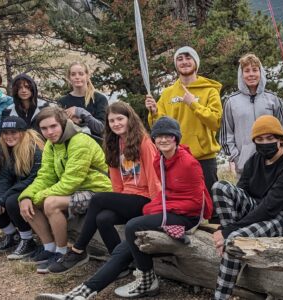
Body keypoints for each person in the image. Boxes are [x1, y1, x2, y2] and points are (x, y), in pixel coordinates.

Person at [36, 116, 213, 300]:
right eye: (159, 136)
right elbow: (165, 193)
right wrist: (156, 207)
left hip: (188, 216)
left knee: (134, 225)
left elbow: (196, 203)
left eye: (168, 136)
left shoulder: (189, 163)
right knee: (123, 249)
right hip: (169, 210)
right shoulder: (160, 160)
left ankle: (146, 279)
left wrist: (155, 208)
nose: (163, 140)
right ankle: (81, 293)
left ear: (176, 138)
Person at [47, 102, 162, 274]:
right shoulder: (113, 145)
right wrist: (116, 203)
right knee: (103, 218)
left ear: (130, 119)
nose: (116, 123)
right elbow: (116, 183)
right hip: (127, 198)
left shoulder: (144, 142)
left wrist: (157, 208)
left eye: (120, 119)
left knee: (98, 198)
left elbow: (154, 178)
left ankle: (78, 250)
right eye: (111, 120)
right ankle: (121, 264)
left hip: (146, 199)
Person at [211, 115, 283, 300]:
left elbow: (270, 208)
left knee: (235, 239)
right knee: (220, 187)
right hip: (257, 209)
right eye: (260, 139)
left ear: (280, 138)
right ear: (254, 141)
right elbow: (241, 191)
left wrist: (230, 230)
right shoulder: (255, 160)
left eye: (270, 138)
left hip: (282, 218)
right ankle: (231, 250)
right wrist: (227, 227)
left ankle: (221, 295)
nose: (265, 143)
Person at [18, 106, 112, 274]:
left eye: (53, 126)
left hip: (98, 191)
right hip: (76, 190)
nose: (49, 132)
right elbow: (45, 176)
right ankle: (49, 248)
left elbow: (70, 182)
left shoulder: (80, 141)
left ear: (62, 124)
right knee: (26, 201)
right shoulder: (51, 145)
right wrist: (27, 196)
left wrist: (39, 196)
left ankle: (63, 253)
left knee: (50, 203)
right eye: (44, 128)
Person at [145, 46, 222, 195]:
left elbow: (215, 122)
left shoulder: (209, 90)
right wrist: (154, 113)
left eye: (188, 58)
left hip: (203, 158)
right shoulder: (168, 93)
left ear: (196, 63)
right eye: (180, 59)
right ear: (176, 65)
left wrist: (193, 104)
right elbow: (159, 127)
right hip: (176, 157)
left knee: (211, 207)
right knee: (182, 202)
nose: (184, 62)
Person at [219, 53, 283, 176]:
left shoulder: (273, 99)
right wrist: (236, 158)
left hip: (273, 165)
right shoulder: (231, 102)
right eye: (246, 71)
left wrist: (279, 154)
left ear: (260, 72)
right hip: (244, 167)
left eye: (255, 70)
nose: (251, 74)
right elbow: (226, 136)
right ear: (241, 75)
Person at [0, 116, 45, 258]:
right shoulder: (10, 149)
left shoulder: (35, 148)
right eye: (5, 133)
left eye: (13, 132)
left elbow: (35, 177)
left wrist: (6, 195)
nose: (9, 136)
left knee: (12, 200)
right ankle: (13, 236)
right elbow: (5, 178)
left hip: (39, 187)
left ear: (23, 132)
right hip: (22, 187)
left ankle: (28, 240)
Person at [58, 62, 108, 138]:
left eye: (81, 74)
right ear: (69, 77)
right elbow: (59, 129)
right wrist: (70, 122)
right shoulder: (62, 101)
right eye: (73, 74)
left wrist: (80, 112)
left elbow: (101, 128)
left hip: (96, 145)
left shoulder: (99, 99)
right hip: (72, 146)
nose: (77, 77)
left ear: (87, 76)